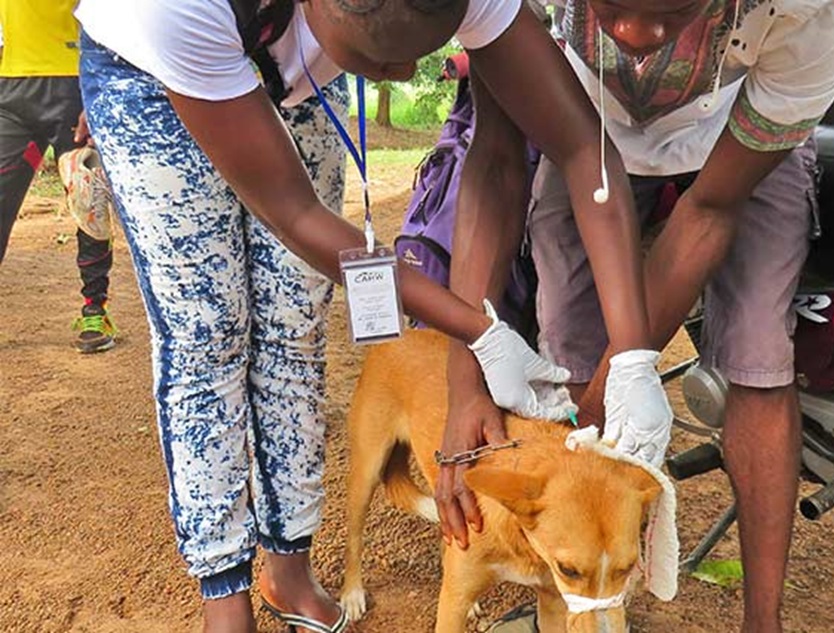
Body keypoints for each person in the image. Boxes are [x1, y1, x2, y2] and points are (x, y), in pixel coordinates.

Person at [75, 0, 673, 630]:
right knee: (209, 337)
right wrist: (477, 331)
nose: (406, 72)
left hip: (298, 81)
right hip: (154, 77)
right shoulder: (168, 10)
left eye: (431, 46)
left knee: (294, 332)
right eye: (383, 55)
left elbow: (578, 147)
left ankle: (288, 565)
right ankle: (223, 593)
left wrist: (632, 354)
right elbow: (296, 214)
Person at [448, 1, 834, 631]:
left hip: (745, 135)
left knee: (757, 356)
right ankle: (570, 604)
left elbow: (710, 209)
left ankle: (764, 622)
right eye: (610, 3)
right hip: (579, 126)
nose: (636, 36)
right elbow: (497, 162)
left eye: (675, 8)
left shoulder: (820, 10)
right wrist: (465, 383)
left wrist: (607, 393)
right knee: (566, 348)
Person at [0, 0, 117, 353]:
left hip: (73, 84)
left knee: (88, 200)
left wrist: (95, 91)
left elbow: (108, 17)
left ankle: (95, 309)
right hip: (11, 89)